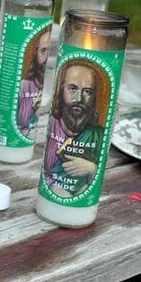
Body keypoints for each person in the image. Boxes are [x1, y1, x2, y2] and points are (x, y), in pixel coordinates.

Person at [43, 62, 103, 197]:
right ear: (61, 90)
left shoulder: (98, 135)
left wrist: (92, 169)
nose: (79, 98)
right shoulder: (52, 124)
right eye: (72, 88)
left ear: (93, 97)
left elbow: (96, 182)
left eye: (87, 92)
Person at [17, 28, 51, 136]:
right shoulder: (25, 86)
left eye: (48, 50)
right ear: (36, 54)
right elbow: (21, 121)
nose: (46, 57)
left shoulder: (47, 84)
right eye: (43, 50)